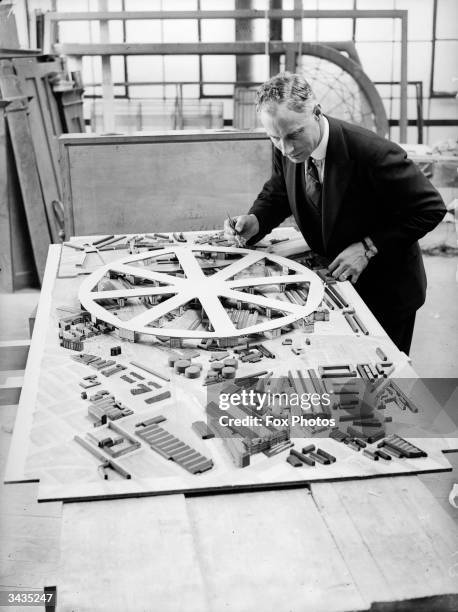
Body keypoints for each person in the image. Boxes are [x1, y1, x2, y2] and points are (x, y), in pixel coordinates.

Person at [224, 72, 446, 355]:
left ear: (316, 112)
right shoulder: (285, 140)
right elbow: (280, 189)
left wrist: (368, 247)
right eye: (275, 138)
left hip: (387, 290)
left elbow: (430, 208)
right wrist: (257, 220)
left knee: (382, 385)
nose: (287, 148)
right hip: (336, 283)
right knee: (343, 382)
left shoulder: (371, 152)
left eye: (294, 135)